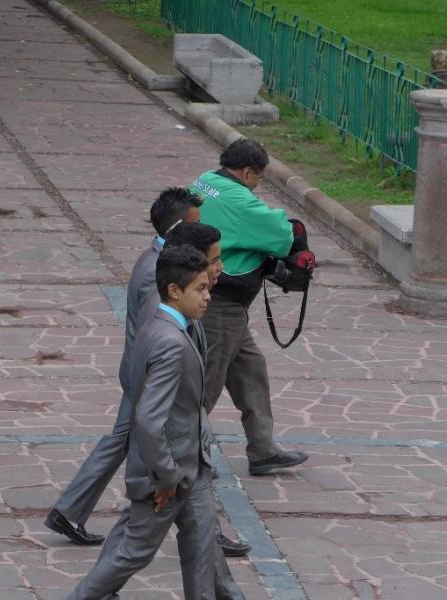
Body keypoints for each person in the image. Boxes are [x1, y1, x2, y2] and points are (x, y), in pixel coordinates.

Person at [63, 246, 224, 600]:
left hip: (191, 469)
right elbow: (150, 419)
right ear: (174, 291)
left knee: (203, 555)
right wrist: (166, 476)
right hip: (168, 475)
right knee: (130, 553)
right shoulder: (170, 341)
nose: (208, 296)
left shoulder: (161, 323)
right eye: (200, 288)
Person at [45, 187, 201, 546]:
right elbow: (155, 328)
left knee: (120, 440)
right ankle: (70, 512)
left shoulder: (160, 259)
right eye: (194, 224)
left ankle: (69, 511)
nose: (198, 230)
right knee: (130, 439)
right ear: (176, 227)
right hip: (145, 374)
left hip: (141, 371)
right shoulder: (156, 272)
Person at [189, 138, 309, 476]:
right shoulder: (241, 200)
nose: (258, 184)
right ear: (245, 172)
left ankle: (263, 449)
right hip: (220, 305)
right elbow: (283, 235)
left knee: (251, 373)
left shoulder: (204, 181)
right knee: (205, 385)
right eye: (258, 177)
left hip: (214, 300)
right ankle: (185, 458)